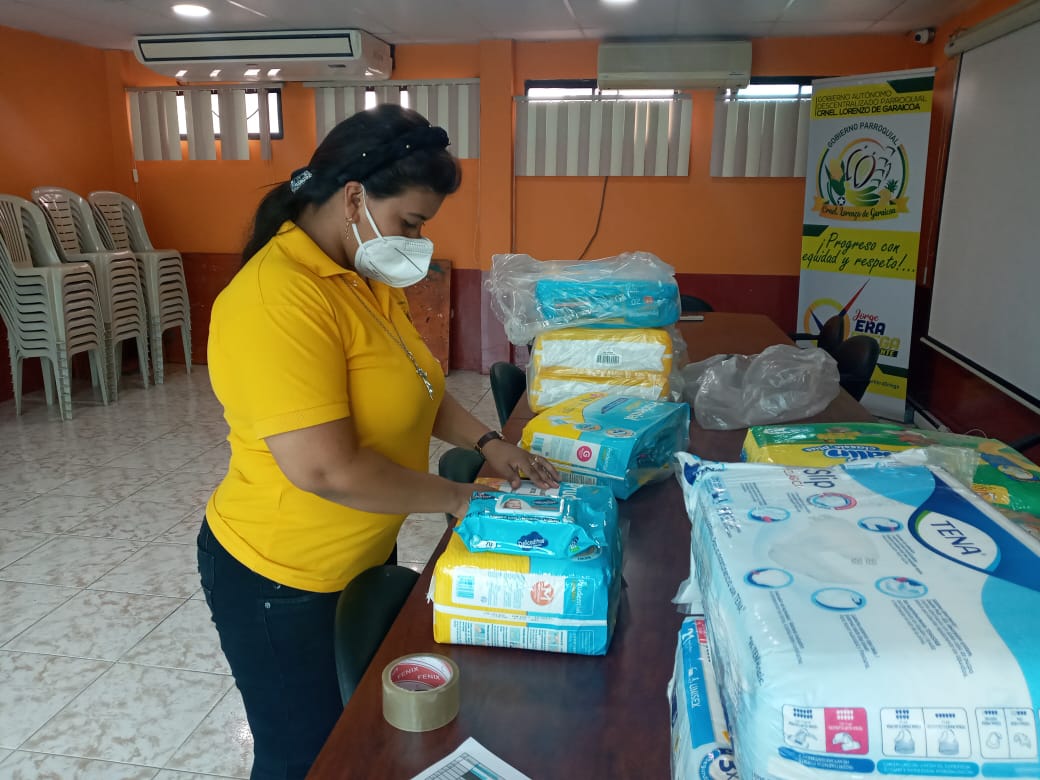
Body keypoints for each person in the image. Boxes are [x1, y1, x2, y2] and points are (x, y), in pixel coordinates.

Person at [197, 104, 559, 780]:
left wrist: (488, 441)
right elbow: (326, 470)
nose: (417, 241)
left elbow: (416, 387)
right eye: (411, 223)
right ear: (354, 197)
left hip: (361, 549)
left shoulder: (361, 277)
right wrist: (460, 499)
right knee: (304, 758)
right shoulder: (276, 297)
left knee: (356, 736)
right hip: (284, 576)